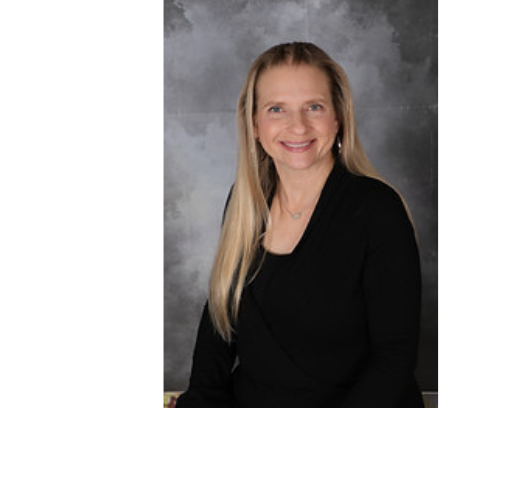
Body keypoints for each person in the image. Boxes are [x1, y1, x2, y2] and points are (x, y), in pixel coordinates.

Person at [175, 42, 423, 407]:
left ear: (337, 118)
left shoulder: (377, 210)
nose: (298, 126)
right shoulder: (245, 202)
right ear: (255, 124)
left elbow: (393, 360)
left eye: (314, 107)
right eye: (277, 109)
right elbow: (219, 323)